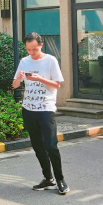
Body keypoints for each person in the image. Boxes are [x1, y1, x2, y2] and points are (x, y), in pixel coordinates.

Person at [12, 32, 69, 195]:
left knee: (51, 145)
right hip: (28, 109)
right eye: (28, 49)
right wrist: (19, 78)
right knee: (37, 146)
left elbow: (57, 85)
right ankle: (48, 179)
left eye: (34, 49)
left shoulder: (50, 60)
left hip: (46, 109)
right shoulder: (24, 61)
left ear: (41, 46)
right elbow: (15, 85)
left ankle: (60, 180)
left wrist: (40, 79)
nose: (31, 52)